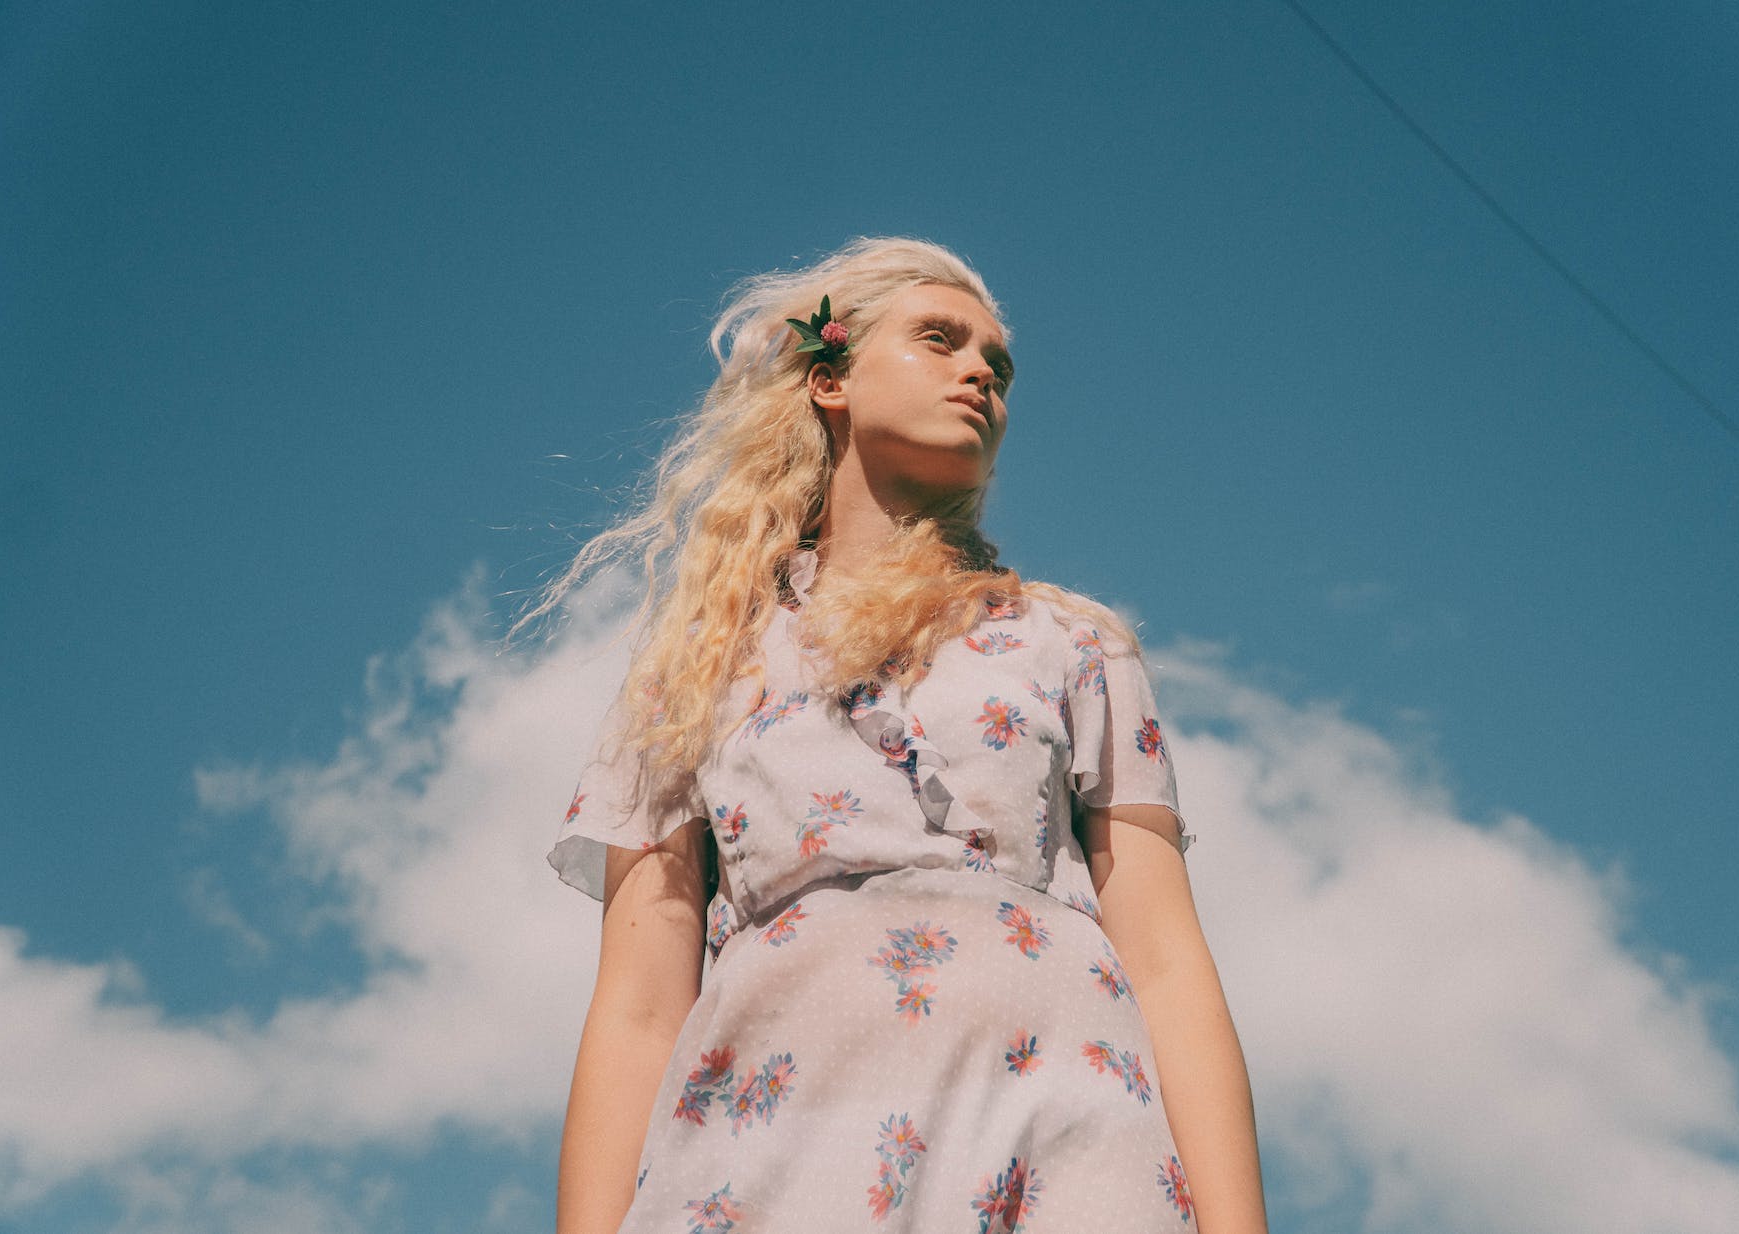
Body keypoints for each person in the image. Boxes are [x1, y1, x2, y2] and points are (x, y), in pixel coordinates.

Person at [532, 237, 1267, 1233]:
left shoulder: (1074, 644)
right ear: (829, 377)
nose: (979, 373)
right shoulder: (696, 665)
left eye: (997, 367)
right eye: (940, 340)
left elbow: (1169, 963)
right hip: (775, 1143)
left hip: (1065, 1134)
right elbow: (637, 1006)